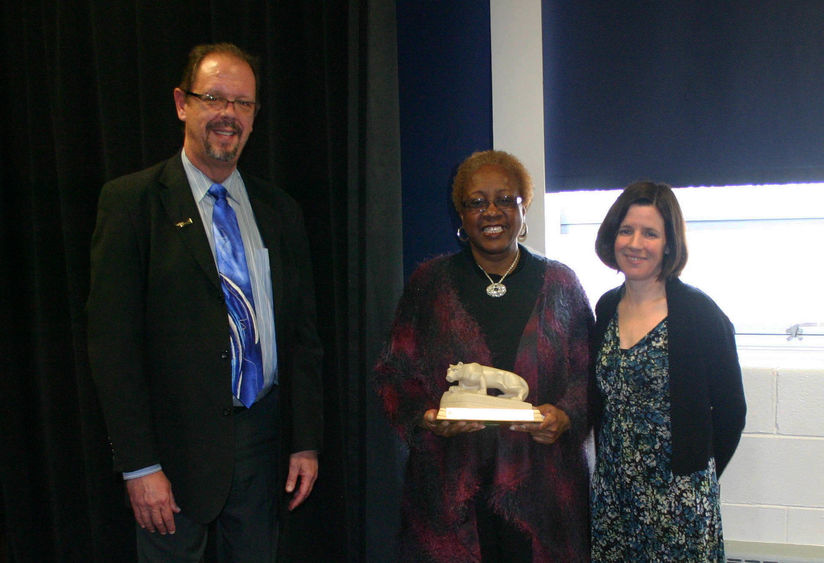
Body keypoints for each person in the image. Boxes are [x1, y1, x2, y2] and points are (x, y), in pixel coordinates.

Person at [87, 42, 323, 561]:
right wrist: (139, 466)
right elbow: (112, 347)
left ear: (256, 117)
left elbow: (302, 337)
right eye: (214, 98)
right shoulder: (132, 204)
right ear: (181, 103)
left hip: (264, 447)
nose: (228, 115)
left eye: (243, 104)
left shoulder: (279, 210)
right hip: (172, 455)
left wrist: (304, 440)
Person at [374, 150, 592, 562]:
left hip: (544, 491)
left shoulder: (562, 284)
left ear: (523, 208)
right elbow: (394, 373)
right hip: (449, 492)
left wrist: (565, 417)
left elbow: (588, 378)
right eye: (476, 202)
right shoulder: (429, 284)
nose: (491, 211)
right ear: (461, 214)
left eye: (505, 199)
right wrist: (427, 418)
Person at [589, 181, 746, 562]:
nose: (635, 243)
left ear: (669, 243)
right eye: (626, 230)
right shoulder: (606, 307)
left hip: (678, 504)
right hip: (614, 498)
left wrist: (694, 476)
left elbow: (731, 412)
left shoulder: (699, 314)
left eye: (650, 233)